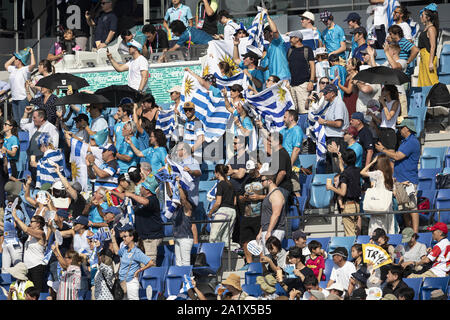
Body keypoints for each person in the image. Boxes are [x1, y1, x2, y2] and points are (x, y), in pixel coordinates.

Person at [375, 119, 420, 233]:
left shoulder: (412, 142)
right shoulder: (405, 141)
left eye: (401, 128)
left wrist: (383, 149)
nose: (399, 130)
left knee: (412, 207)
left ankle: (415, 232)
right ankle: (409, 230)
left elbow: (397, 156)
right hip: (401, 179)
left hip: (408, 180)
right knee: (404, 208)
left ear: (407, 129)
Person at [112, 175, 163, 262]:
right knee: (141, 263)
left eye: (142, 187)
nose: (140, 188)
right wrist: (112, 193)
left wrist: (131, 194)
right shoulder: (140, 199)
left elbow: (145, 202)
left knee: (148, 264)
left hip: (150, 238)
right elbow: (125, 197)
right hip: (142, 238)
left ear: (147, 189)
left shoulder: (153, 199)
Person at [110, 228, 155, 300]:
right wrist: (113, 237)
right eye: (123, 236)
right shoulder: (125, 249)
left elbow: (151, 262)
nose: (123, 238)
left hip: (131, 281)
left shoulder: (136, 251)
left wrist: (138, 271)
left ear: (131, 237)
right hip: (122, 281)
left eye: (125, 236)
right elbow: (117, 252)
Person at [326, 149, 361, 236]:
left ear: (344, 160)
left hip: (348, 206)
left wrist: (331, 187)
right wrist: (340, 159)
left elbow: (342, 192)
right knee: (355, 232)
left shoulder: (345, 174)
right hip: (356, 205)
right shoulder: (357, 171)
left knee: (350, 235)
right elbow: (343, 171)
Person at [11, 210, 46, 292]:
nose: (30, 223)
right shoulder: (31, 234)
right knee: (28, 292)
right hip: (28, 267)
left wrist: (16, 217)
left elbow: (26, 229)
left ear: (38, 224)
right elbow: (22, 227)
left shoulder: (41, 233)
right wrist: (15, 219)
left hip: (37, 265)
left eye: (32, 221)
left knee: (36, 292)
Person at [360, 154, 395, 234]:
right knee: (386, 228)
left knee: (376, 226)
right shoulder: (389, 174)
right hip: (387, 204)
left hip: (378, 202)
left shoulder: (378, 173)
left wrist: (372, 162)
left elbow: (362, 172)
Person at [318, 84, 349, 173]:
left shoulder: (338, 103)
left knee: (337, 168)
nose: (324, 95)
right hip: (332, 137)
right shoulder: (331, 104)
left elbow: (339, 123)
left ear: (332, 93)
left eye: (326, 93)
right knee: (330, 167)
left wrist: (324, 122)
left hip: (337, 138)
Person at [256, 173, 286, 254]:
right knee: (266, 258)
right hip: (267, 230)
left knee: (272, 257)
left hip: (275, 230)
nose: (261, 183)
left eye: (262, 181)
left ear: (269, 181)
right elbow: (267, 215)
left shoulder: (276, 194)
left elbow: (276, 214)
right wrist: (260, 232)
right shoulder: (269, 195)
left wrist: (269, 232)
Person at [5, 47, 36, 124]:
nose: (14, 60)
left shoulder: (25, 69)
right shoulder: (13, 69)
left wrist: (31, 53)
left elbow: (33, 64)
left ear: (20, 61)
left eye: (16, 59)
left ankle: (24, 136)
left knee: (23, 121)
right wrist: (15, 56)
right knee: (16, 120)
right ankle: (18, 136)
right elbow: (6, 65)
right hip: (14, 98)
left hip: (23, 98)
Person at [287, 30, 315, 114]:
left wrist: (311, 81)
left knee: (304, 111)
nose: (290, 40)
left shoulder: (307, 50)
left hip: (303, 85)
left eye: (291, 38)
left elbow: (313, 66)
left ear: (297, 38)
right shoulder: (290, 50)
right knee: (293, 111)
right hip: (292, 85)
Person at [208, 164, 236, 247]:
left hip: (223, 211)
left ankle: (214, 258)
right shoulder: (231, 184)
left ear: (217, 173)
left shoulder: (220, 184)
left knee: (213, 238)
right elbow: (234, 202)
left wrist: (210, 212)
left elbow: (218, 203)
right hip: (232, 212)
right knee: (226, 239)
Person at [370, 85, 400, 150]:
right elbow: (382, 122)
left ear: (388, 92)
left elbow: (389, 117)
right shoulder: (385, 103)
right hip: (382, 130)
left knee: (389, 153)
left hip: (390, 131)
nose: (381, 92)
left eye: (383, 90)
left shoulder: (395, 103)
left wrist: (383, 103)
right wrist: (371, 114)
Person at [280, 110, 303, 196]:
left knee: (295, 191)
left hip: (292, 168)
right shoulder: (283, 131)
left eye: (285, 117)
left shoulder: (297, 130)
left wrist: (289, 166)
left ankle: (300, 209)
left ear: (291, 118)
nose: (283, 119)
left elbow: (296, 150)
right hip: (282, 166)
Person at [263, 9, 291, 81]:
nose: (263, 34)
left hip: (283, 77)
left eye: (265, 32)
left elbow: (275, 30)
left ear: (270, 33)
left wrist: (267, 16)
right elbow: (272, 63)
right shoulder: (269, 47)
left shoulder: (277, 42)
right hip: (274, 79)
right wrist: (264, 69)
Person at [417, 4, 440, 87]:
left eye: (422, 15)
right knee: (423, 81)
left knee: (431, 80)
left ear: (428, 17)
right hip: (423, 56)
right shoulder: (426, 28)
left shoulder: (431, 29)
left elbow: (433, 46)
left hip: (428, 56)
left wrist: (430, 62)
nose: (421, 17)